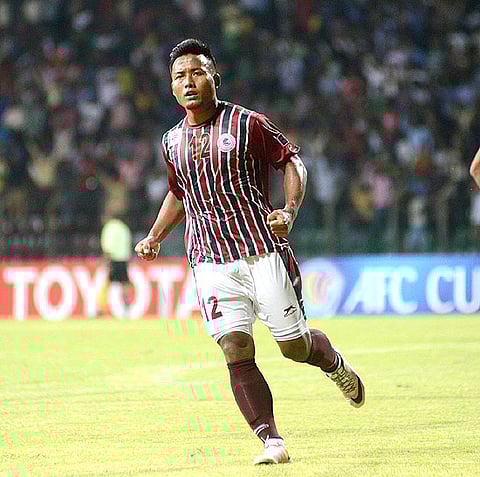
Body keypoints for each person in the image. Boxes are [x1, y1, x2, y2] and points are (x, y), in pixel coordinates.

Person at [135, 39, 365, 465]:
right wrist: (154, 236)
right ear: (171, 87)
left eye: (197, 73)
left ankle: (333, 363)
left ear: (215, 78)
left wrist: (289, 211)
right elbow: (179, 192)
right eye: (180, 76)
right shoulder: (171, 141)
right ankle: (271, 440)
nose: (189, 82)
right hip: (209, 260)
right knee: (235, 346)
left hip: (261, 251)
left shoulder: (247, 123)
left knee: (294, 347)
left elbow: (292, 163)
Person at [99, 214, 133, 318]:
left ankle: (101, 308)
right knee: (124, 284)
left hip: (113, 259)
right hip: (124, 259)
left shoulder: (109, 227)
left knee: (107, 283)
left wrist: (106, 261)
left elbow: (108, 246)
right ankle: (127, 308)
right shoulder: (124, 228)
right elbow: (128, 245)